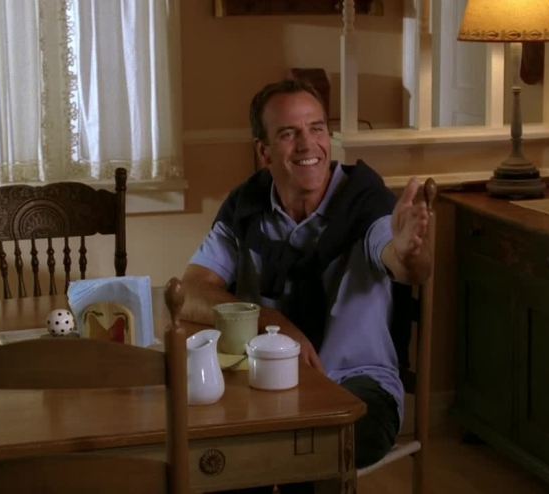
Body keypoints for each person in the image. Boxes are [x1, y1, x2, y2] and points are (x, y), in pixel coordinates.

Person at [181, 79, 433, 472]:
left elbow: (403, 264)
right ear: (264, 152)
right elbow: (190, 292)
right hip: (265, 380)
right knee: (211, 448)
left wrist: (407, 252)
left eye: (317, 128)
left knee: (312, 447)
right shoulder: (246, 205)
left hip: (358, 384)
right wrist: (271, 321)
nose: (307, 144)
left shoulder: (366, 201)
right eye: (288, 134)